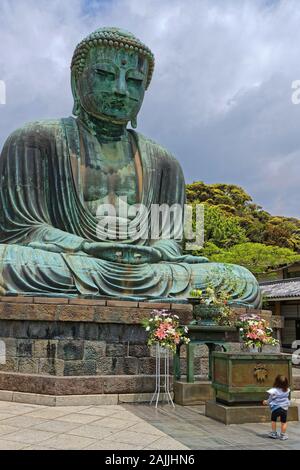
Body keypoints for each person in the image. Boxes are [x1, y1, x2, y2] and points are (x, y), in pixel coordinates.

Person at [0, 27, 262, 303]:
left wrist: (156, 251)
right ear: (76, 81)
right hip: (71, 262)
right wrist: (84, 246)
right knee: (6, 262)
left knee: (240, 281)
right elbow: (23, 229)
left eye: (135, 80)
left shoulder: (165, 162)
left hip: (145, 270)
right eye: (105, 74)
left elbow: (170, 240)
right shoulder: (35, 140)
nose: (121, 90)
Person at [263, 375, 291, 440]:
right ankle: (283, 435)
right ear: (286, 383)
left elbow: (270, 399)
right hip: (284, 409)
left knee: (273, 421)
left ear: (276, 382)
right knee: (283, 422)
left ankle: (274, 433)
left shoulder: (274, 390)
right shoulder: (287, 390)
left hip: (275, 409)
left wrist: (265, 402)